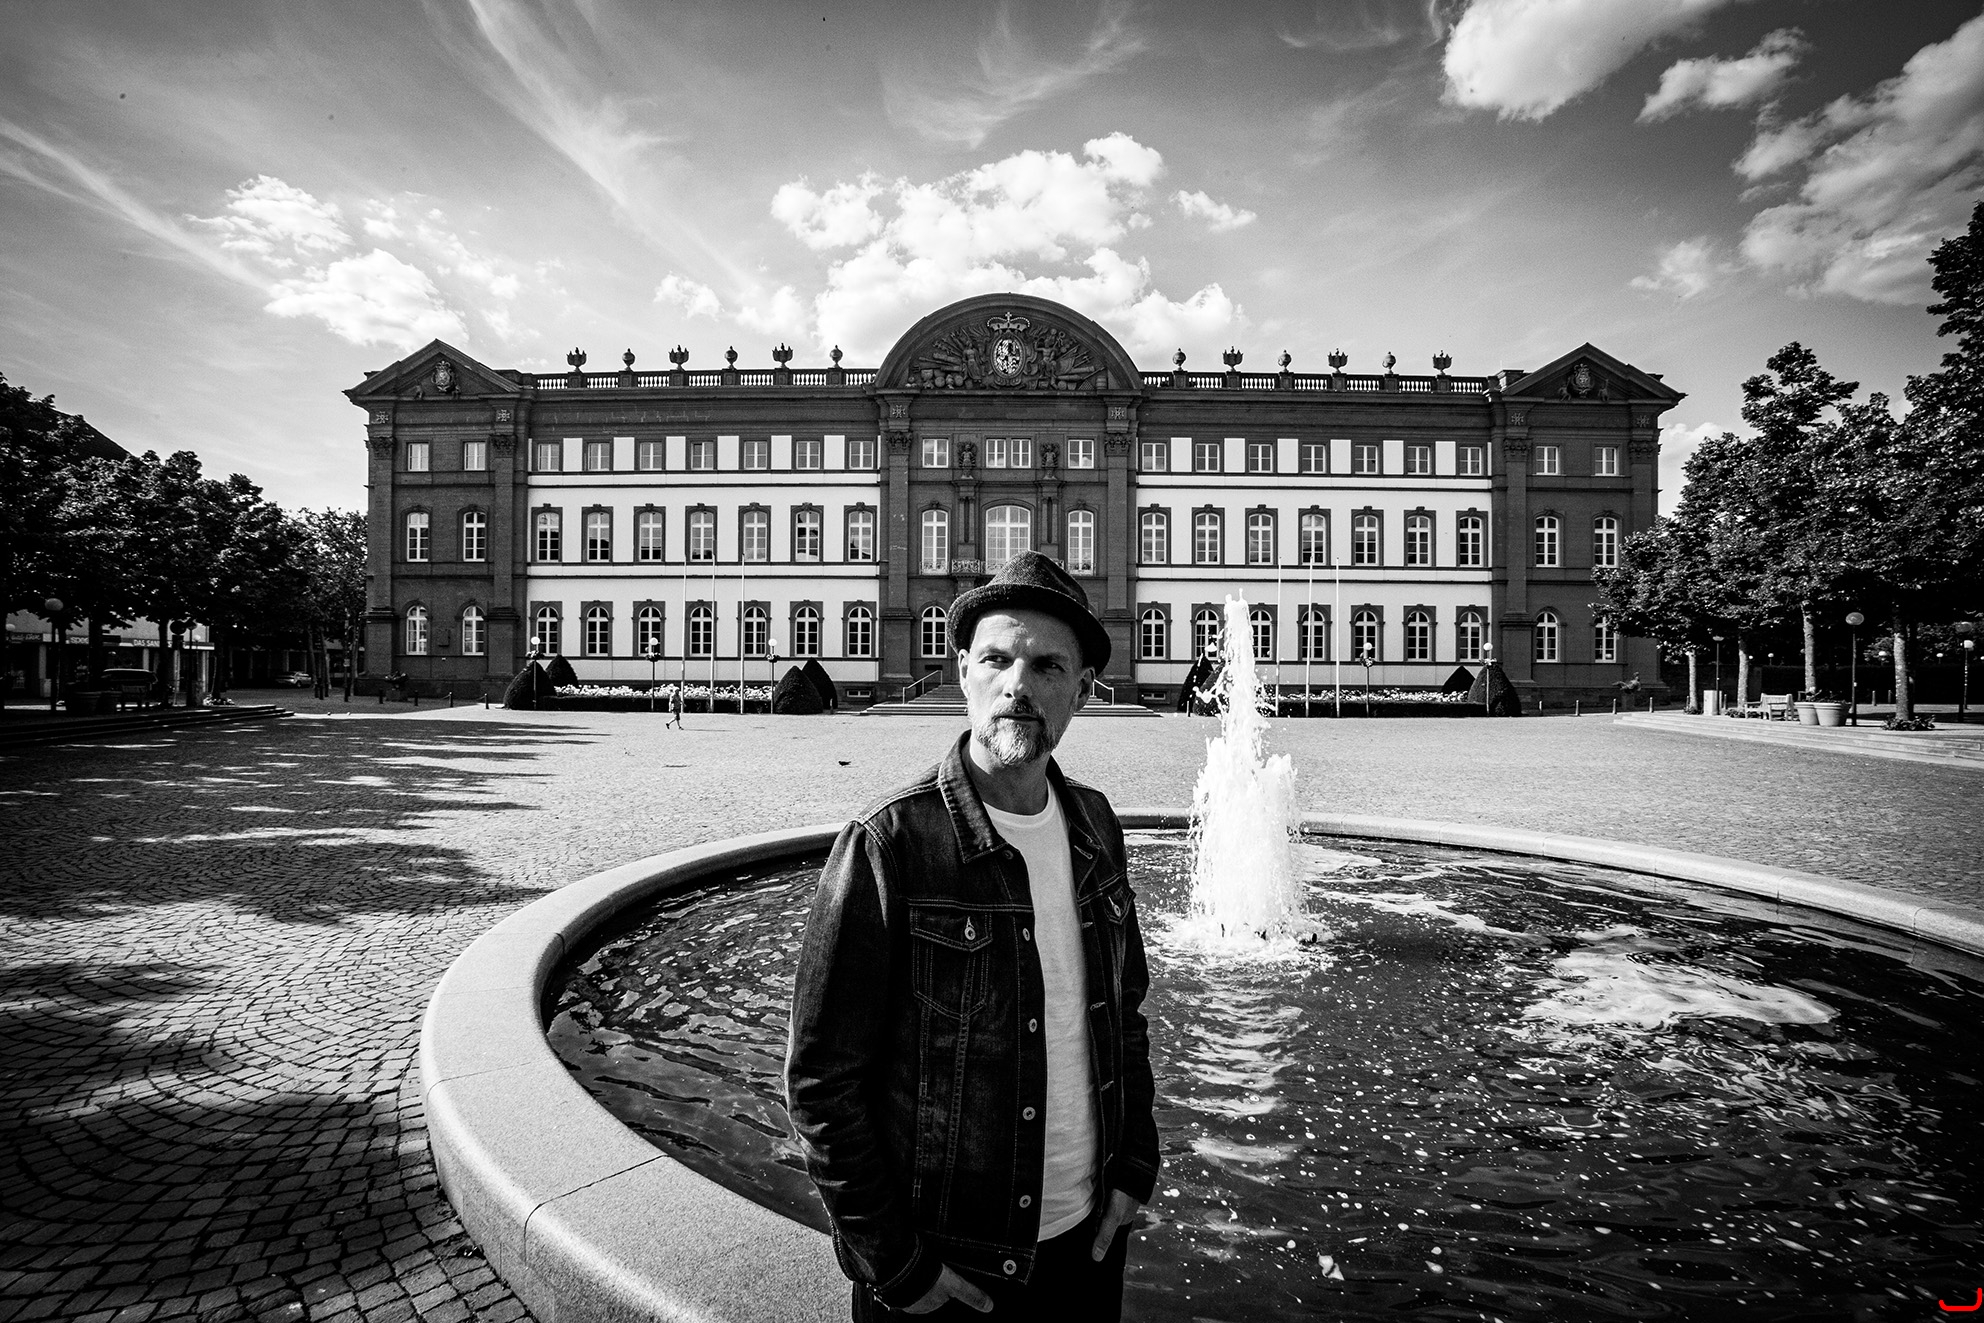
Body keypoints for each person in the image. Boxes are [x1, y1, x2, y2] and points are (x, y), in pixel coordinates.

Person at [786, 551, 1159, 1320]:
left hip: (1086, 1250)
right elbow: (821, 1081)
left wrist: (1134, 1165)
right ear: (963, 672)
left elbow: (1125, 1012)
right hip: (947, 1272)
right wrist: (897, 1263)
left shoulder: (1096, 827)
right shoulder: (890, 842)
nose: (1018, 684)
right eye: (997, 659)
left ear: (1082, 690)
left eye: (1047, 665)